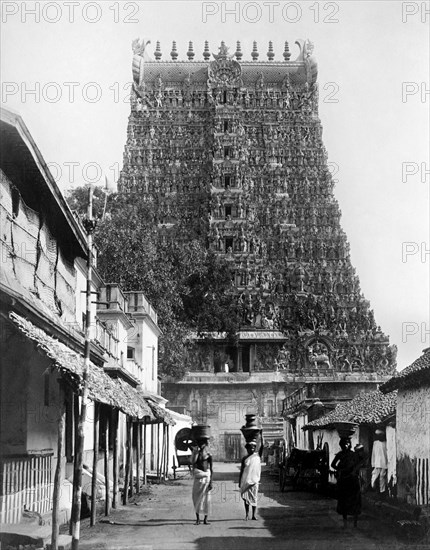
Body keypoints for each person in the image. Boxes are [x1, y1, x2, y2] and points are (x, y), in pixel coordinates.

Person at [331, 437, 363, 528]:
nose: (346, 445)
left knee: (355, 500)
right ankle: (345, 522)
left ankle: (355, 523)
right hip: (344, 479)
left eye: (348, 443)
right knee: (344, 500)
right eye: (344, 443)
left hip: (352, 480)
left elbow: (360, 463)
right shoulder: (340, 454)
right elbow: (333, 464)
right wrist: (340, 470)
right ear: (341, 445)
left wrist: (354, 471)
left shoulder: (354, 455)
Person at [239, 430, 263, 520]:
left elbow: (262, 447)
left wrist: (261, 435)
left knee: (254, 498)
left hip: (254, 481)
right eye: (249, 448)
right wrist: (239, 482)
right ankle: (246, 514)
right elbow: (241, 471)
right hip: (246, 481)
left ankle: (253, 515)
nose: (251, 449)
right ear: (247, 449)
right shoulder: (245, 459)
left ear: (255, 448)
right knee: (246, 498)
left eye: (253, 448)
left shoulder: (257, 456)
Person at [191, 438, 213, 525]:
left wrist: (211, 482)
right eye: (199, 444)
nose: (201, 446)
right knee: (196, 498)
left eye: (202, 444)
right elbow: (193, 463)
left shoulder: (208, 456)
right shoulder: (196, 455)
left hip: (206, 479)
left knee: (207, 499)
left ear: (205, 445)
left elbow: (211, 469)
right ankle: (197, 519)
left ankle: (205, 519)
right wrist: (195, 452)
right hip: (198, 479)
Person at [371, 429, 388, 497]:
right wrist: (373, 463)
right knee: (374, 476)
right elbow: (373, 453)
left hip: (384, 463)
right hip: (377, 462)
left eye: (380, 435)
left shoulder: (386, 443)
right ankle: (373, 488)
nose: (379, 437)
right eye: (378, 436)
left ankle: (382, 491)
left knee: (382, 477)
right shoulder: (375, 443)